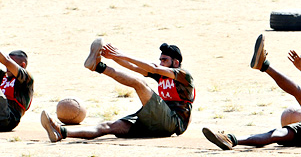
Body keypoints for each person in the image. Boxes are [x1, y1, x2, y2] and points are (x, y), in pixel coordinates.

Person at [40, 39, 193, 141]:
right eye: (160, 59)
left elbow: (152, 67)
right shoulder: (162, 76)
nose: (160, 63)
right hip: (159, 122)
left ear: (176, 62)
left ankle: (98, 67)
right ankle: (61, 132)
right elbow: (134, 67)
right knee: (109, 127)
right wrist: (113, 56)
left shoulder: (183, 75)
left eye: (164, 60)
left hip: (173, 122)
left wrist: (122, 54)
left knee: (139, 84)